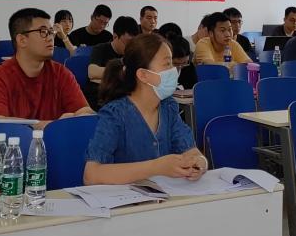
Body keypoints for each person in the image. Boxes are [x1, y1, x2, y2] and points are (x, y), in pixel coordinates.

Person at [83, 33, 207, 185]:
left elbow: (191, 151)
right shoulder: (115, 114)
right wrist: (155, 168)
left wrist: (199, 163)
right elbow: (91, 175)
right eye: (167, 64)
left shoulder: (168, 107)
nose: (173, 71)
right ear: (143, 75)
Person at [0, 8, 93, 129]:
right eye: (43, 32)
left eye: (51, 32)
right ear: (22, 40)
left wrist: (81, 117)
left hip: (55, 140)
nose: (50, 38)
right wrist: (52, 125)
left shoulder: (61, 73)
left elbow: (85, 112)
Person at [86, 16, 140, 109]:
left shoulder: (133, 54)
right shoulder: (100, 48)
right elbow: (92, 72)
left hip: (122, 95)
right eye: (128, 43)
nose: (130, 47)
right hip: (99, 95)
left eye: (133, 43)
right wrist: (123, 73)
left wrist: (105, 77)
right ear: (115, 36)